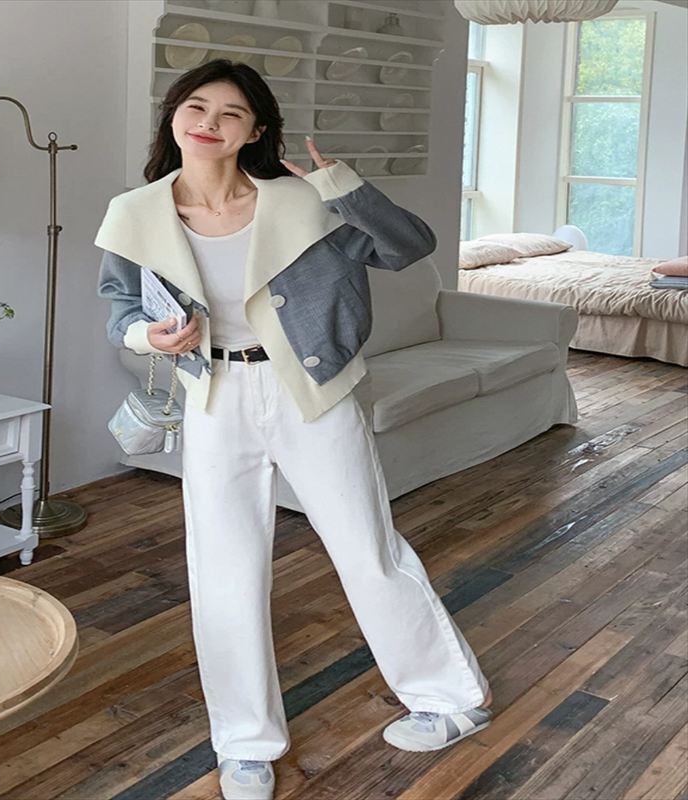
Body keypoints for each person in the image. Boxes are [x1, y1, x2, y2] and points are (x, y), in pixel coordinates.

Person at [96, 59, 493, 800]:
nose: (209, 122)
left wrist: (342, 183)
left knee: (367, 549)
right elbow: (120, 307)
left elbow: (409, 246)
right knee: (224, 569)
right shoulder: (135, 212)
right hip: (214, 396)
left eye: (231, 112)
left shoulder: (305, 201)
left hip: (311, 393)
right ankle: (245, 743)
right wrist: (151, 337)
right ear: (174, 115)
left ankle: (451, 701)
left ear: (255, 131)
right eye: (196, 106)